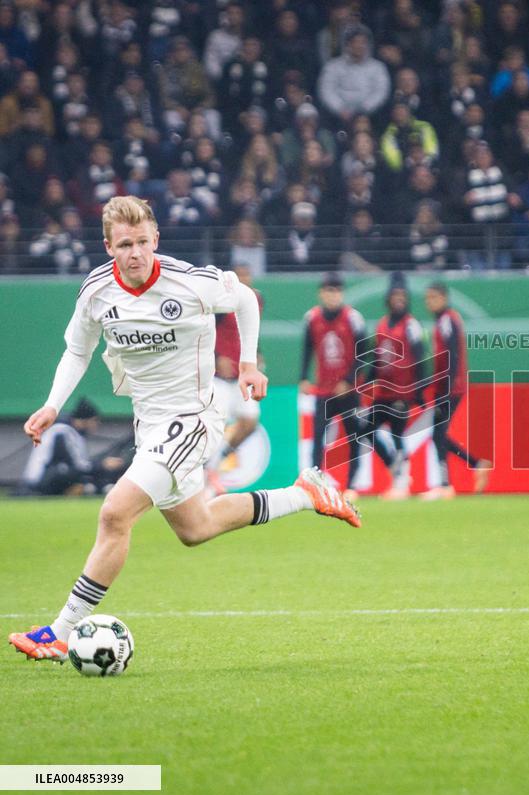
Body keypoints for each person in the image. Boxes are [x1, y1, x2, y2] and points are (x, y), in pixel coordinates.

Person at [9, 196, 360, 663]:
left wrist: (250, 364)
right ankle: (305, 493)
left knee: (115, 514)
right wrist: (53, 405)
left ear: (156, 239)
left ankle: (59, 631)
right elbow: (78, 351)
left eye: (141, 242)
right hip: (150, 423)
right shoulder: (96, 291)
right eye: (124, 244)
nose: (135, 253)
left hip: (194, 418)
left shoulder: (189, 282)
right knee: (196, 527)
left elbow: (245, 300)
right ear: (108, 246)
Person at [300, 271, 367, 499]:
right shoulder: (312, 318)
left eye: (336, 291)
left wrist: (349, 381)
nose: (332, 296)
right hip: (324, 390)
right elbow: (307, 349)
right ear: (321, 293)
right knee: (318, 436)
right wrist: (303, 377)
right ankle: (315, 484)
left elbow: (363, 353)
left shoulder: (353, 318)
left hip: (347, 390)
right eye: (329, 291)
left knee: (353, 436)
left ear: (342, 294)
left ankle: (352, 486)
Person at [423, 282, 491, 500]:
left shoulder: (447, 320)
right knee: (439, 435)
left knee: (438, 434)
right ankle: (476, 464)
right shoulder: (446, 320)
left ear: (443, 298)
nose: (429, 302)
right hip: (450, 386)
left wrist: (446, 386)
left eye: (433, 297)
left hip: (451, 387)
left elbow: (452, 356)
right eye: (428, 298)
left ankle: (445, 485)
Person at [361, 272, 425, 500]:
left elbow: (419, 358)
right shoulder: (381, 324)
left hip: (402, 391)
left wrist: (417, 392)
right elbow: (378, 359)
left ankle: (401, 481)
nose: (399, 299)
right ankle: (395, 468)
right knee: (366, 428)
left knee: (397, 434)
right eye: (395, 295)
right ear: (388, 298)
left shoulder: (412, 325)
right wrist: (367, 381)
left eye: (402, 295)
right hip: (384, 391)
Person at [207, 265, 264, 494]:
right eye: (240, 276)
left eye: (247, 276)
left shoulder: (256, 300)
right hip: (220, 376)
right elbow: (205, 329)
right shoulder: (222, 303)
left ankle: (218, 461)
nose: (244, 280)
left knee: (250, 421)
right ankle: (206, 476)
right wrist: (217, 357)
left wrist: (257, 355)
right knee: (214, 426)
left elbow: (252, 332)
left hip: (243, 375)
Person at [17, 397, 125, 496]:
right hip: (39, 481)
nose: (96, 425)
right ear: (85, 420)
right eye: (95, 421)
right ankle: (94, 488)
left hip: (47, 476)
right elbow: (78, 465)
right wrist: (102, 465)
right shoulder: (62, 431)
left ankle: (92, 487)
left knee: (82, 473)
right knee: (74, 472)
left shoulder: (72, 432)